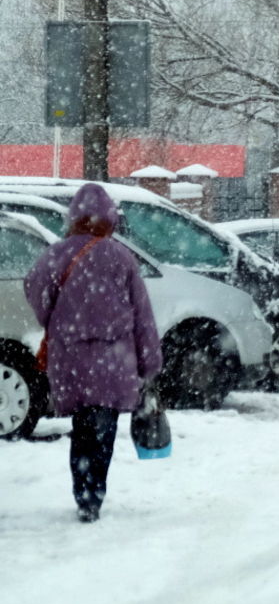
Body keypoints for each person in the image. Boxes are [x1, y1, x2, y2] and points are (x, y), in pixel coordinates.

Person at [24, 183, 163, 523]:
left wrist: (54, 319)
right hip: (113, 357)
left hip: (69, 356)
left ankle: (82, 490)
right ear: (109, 219)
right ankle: (93, 495)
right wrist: (150, 362)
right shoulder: (120, 257)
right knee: (103, 428)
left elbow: (34, 287)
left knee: (82, 427)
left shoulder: (57, 254)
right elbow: (142, 314)